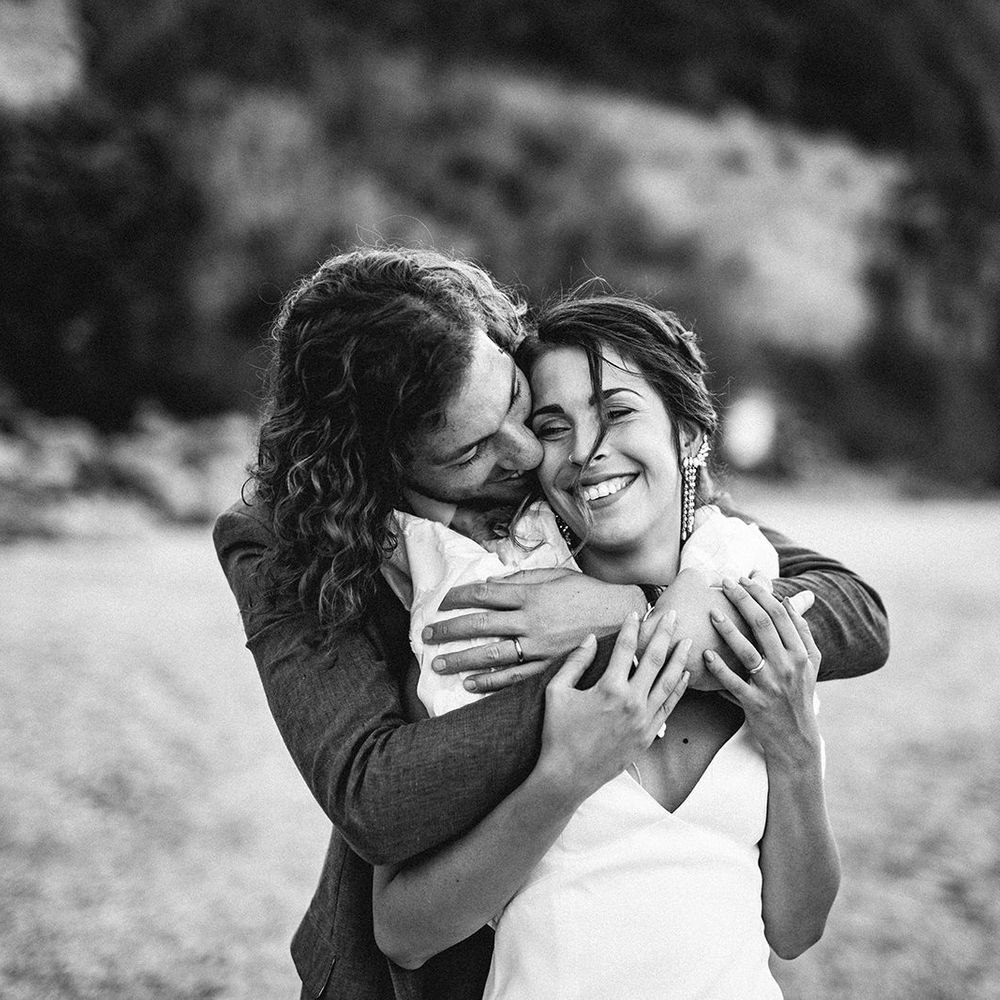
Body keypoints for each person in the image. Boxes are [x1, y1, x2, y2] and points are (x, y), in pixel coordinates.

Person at [212, 246, 889, 1000]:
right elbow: (376, 798)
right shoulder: (290, 545)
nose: (531, 450)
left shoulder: (683, 536)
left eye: (514, 402)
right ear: (384, 466)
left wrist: (629, 613)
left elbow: (851, 607)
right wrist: (592, 717)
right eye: (471, 449)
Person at [372, 295, 840, 998]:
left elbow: (795, 929)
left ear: (688, 434)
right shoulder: (496, 631)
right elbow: (403, 934)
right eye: (554, 428)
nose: (587, 453)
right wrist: (564, 779)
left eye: (616, 412)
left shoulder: (751, 605)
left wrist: (796, 752)